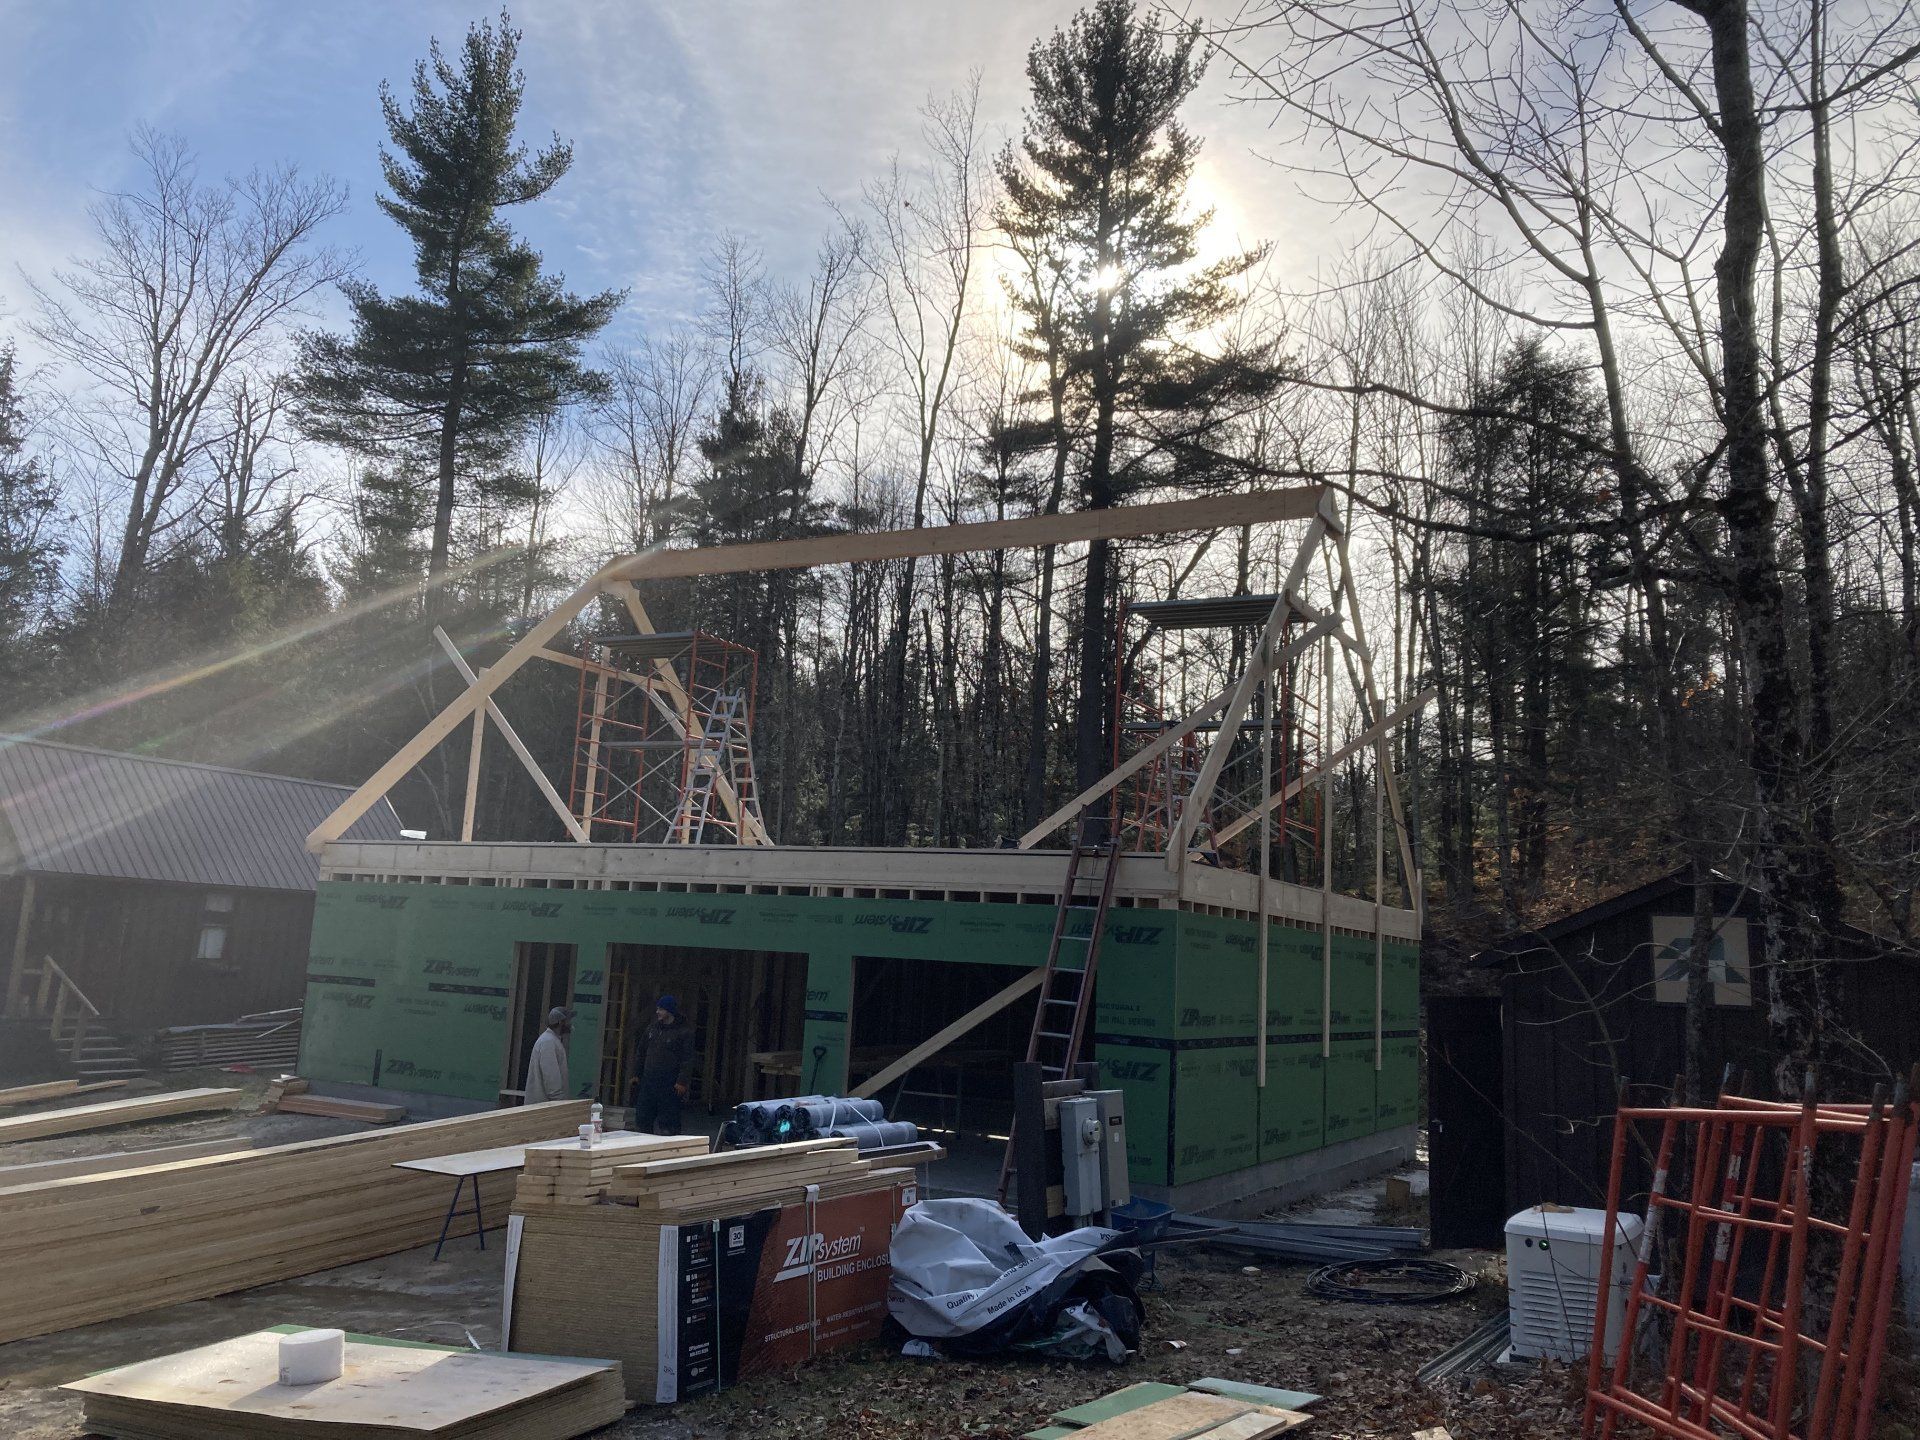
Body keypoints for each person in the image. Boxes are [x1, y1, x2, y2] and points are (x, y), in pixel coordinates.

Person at [631, 994, 695, 1134]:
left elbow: (687, 1059)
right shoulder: (652, 1030)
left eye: (661, 1009)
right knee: (643, 1119)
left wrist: (681, 1081)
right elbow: (641, 1052)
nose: (657, 1012)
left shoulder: (683, 1032)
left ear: (669, 1011)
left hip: (670, 1084)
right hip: (649, 1081)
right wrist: (636, 1073)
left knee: (668, 1122)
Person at [523, 1007, 572, 1104]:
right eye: (568, 1021)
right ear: (560, 1022)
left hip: (545, 1106)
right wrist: (560, 1103)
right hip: (544, 1107)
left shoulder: (551, 1040)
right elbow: (551, 1078)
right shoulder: (548, 1042)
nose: (570, 1024)